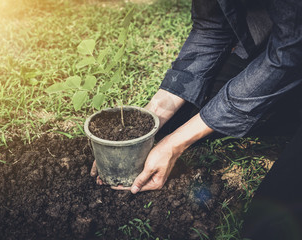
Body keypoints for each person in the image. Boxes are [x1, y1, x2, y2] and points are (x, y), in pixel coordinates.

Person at [91, 0, 302, 238]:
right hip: (279, 51)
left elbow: (289, 54)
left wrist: (174, 144)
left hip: (291, 52)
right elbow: (211, 27)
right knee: (174, 122)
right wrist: (150, 120)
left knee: (270, 228)